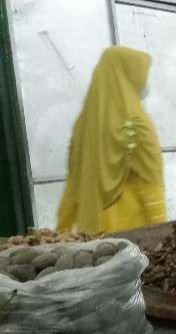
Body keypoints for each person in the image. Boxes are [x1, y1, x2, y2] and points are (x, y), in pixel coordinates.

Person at [57, 46, 167, 235]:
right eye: (141, 75)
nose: (145, 82)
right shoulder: (136, 123)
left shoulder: (82, 127)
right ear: (129, 76)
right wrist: (164, 234)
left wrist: (62, 231)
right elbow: (151, 185)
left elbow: (73, 185)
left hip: (91, 235)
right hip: (132, 236)